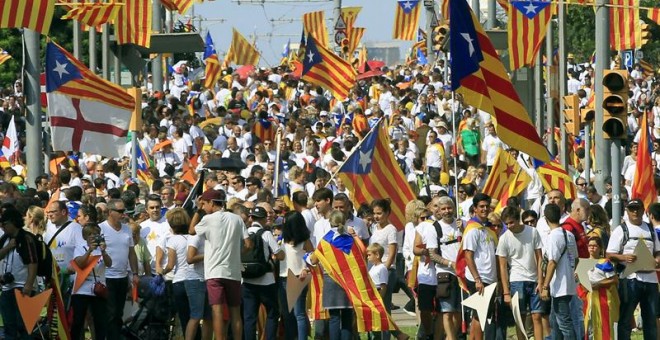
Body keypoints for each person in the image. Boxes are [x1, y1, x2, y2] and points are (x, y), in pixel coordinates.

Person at [192, 189, 250, 340]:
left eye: (204, 204)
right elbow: (248, 244)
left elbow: (191, 230)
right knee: (235, 312)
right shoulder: (237, 219)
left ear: (211, 203)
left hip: (214, 272)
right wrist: (236, 253)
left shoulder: (208, 219)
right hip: (233, 271)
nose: (203, 207)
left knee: (216, 311)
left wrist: (198, 211)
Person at [606, 199, 660, 340]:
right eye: (632, 209)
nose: (635, 211)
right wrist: (624, 257)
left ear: (643, 211)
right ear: (627, 211)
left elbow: (658, 251)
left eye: (637, 208)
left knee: (651, 320)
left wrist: (657, 259)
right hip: (630, 278)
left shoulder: (650, 229)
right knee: (625, 319)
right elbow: (609, 254)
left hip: (650, 278)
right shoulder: (621, 229)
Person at [496, 206, 544, 340]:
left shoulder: (533, 232)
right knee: (520, 318)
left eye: (511, 222)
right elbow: (502, 266)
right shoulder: (504, 238)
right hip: (516, 280)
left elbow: (540, 257)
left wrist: (541, 281)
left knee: (537, 316)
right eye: (506, 223)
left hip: (534, 279)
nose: (509, 226)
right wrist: (506, 292)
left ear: (518, 220)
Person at [99, 199, 139, 339]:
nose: (123, 214)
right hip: (107, 277)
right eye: (120, 211)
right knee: (111, 313)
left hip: (122, 277)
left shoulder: (127, 229)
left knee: (119, 312)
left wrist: (134, 273)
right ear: (110, 212)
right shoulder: (101, 228)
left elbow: (131, 253)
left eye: (124, 211)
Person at [242, 206, 283, 340]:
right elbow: (279, 254)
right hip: (266, 280)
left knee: (249, 317)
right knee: (272, 312)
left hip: (247, 279)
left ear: (251, 218)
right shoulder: (266, 234)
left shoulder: (244, 232)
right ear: (264, 219)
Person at [461, 193, 498, 340]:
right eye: (481, 206)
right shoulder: (472, 229)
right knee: (478, 314)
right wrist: (477, 279)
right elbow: (468, 256)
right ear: (475, 209)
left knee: (483, 314)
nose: (484, 209)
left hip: (490, 277)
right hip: (478, 278)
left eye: (487, 206)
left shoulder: (489, 228)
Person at [0, 203, 39, 339]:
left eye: (4, 224)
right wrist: (8, 247)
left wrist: (29, 284)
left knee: (24, 326)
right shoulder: (4, 239)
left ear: (12, 222)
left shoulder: (26, 239)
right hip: (7, 287)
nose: (2, 227)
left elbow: (33, 263)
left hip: (22, 287)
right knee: (9, 325)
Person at [540, 203, 578, 340]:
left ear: (546, 218)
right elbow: (576, 258)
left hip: (559, 285)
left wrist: (545, 286)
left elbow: (552, 262)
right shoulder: (569, 235)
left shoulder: (553, 236)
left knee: (564, 323)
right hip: (568, 283)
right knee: (555, 322)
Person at [71, 223, 112, 340]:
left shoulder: (102, 249)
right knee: (78, 320)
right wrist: (89, 251)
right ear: (85, 237)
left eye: (96, 234)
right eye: (90, 234)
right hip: (81, 289)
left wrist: (103, 252)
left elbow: (109, 263)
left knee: (100, 321)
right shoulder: (80, 247)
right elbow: (79, 263)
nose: (94, 236)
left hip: (98, 290)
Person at [278, 211, 313, 340]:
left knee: (299, 313)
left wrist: (306, 270)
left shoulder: (304, 241)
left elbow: (312, 258)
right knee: (287, 313)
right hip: (283, 278)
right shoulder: (282, 239)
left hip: (299, 277)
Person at [581, 236, 619, 340]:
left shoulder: (604, 263)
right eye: (590, 245)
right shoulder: (583, 263)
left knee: (604, 325)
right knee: (589, 325)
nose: (592, 248)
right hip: (588, 299)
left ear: (600, 248)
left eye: (595, 246)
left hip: (603, 298)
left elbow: (615, 280)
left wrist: (599, 284)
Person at [367, 243, 389, 340]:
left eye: (369, 255)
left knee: (380, 321)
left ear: (377, 255)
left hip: (378, 293)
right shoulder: (373, 267)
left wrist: (380, 299)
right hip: (371, 294)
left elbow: (383, 286)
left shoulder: (382, 268)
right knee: (373, 320)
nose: (368, 257)